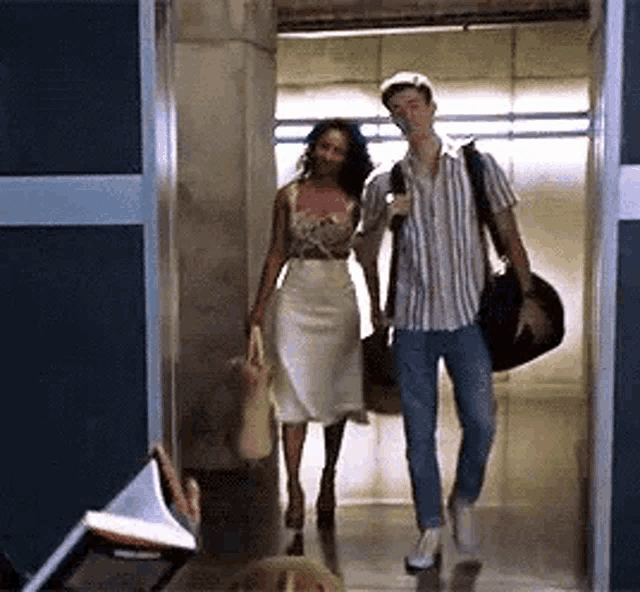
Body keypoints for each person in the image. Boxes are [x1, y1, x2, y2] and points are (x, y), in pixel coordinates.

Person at [357, 72, 546, 572]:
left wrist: (526, 296)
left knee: (481, 424)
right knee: (418, 434)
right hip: (413, 326)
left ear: (432, 107)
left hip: (468, 320)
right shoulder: (385, 182)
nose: (407, 116)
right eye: (397, 110)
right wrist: (377, 300)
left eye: (414, 104)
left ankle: (463, 499)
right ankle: (430, 527)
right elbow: (364, 248)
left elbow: (510, 235)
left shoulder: (477, 167)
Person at [249, 118, 374, 531]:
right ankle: (295, 487)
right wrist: (258, 308)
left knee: (336, 395)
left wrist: (378, 309)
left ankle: (329, 477)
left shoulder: (356, 199)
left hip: (337, 296)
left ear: (348, 157)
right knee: (293, 397)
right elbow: (275, 253)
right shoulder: (288, 195)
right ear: (312, 147)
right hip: (296, 295)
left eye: (338, 150)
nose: (329, 156)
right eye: (324, 146)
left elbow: (368, 255)